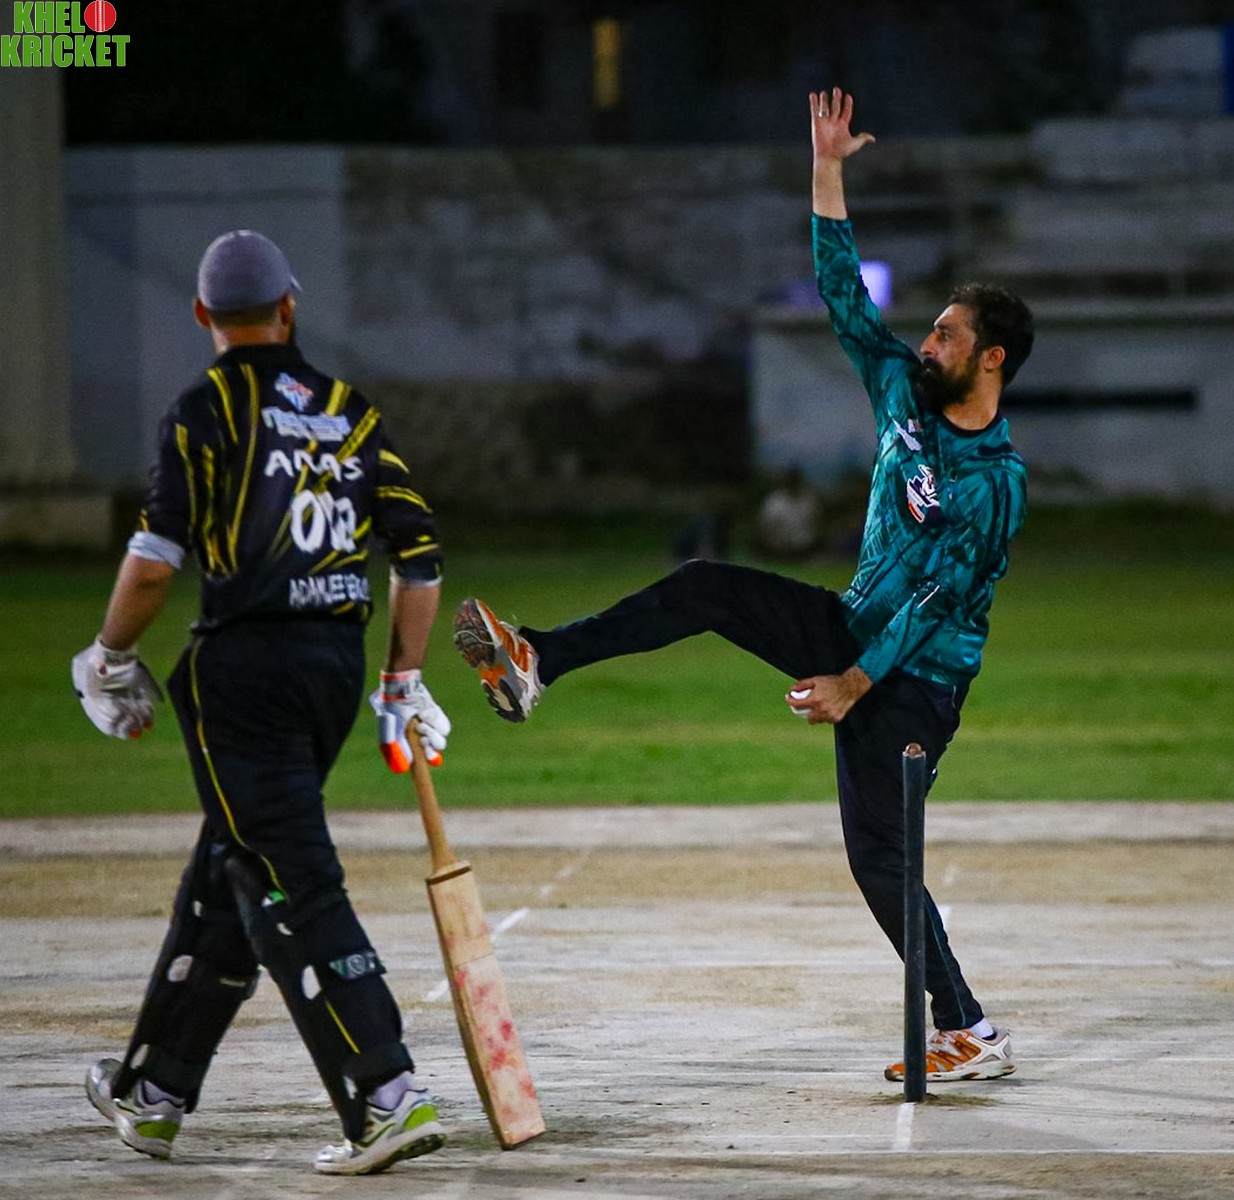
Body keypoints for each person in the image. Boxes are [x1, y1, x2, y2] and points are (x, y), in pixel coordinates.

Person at [453, 89, 1033, 1085]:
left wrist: (855, 683)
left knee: (879, 859)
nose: (924, 343)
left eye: (944, 335)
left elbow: (937, 598)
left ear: (991, 359)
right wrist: (827, 168)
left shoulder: (998, 480)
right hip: (848, 628)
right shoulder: (902, 390)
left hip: (917, 683)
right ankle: (539, 657)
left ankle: (969, 1030)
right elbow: (842, 292)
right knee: (709, 585)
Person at [71, 230, 453, 1175]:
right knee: (235, 862)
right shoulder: (350, 412)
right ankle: (154, 1091)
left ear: (203, 314)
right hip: (331, 672)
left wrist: (109, 656)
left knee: (290, 876)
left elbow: (154, 563)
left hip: (243, 673)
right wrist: (400, 678)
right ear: (289, 307)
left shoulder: (203, 412)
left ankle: (386, 1095)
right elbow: (419, 560)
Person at [755, 466, 822, 559]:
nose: (794, 483)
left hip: (805, 551)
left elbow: (818, 525)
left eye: (796, 480)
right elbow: (764, 527)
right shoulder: (775, 501)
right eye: (792, 480)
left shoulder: (809, 501)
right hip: (778, 551)